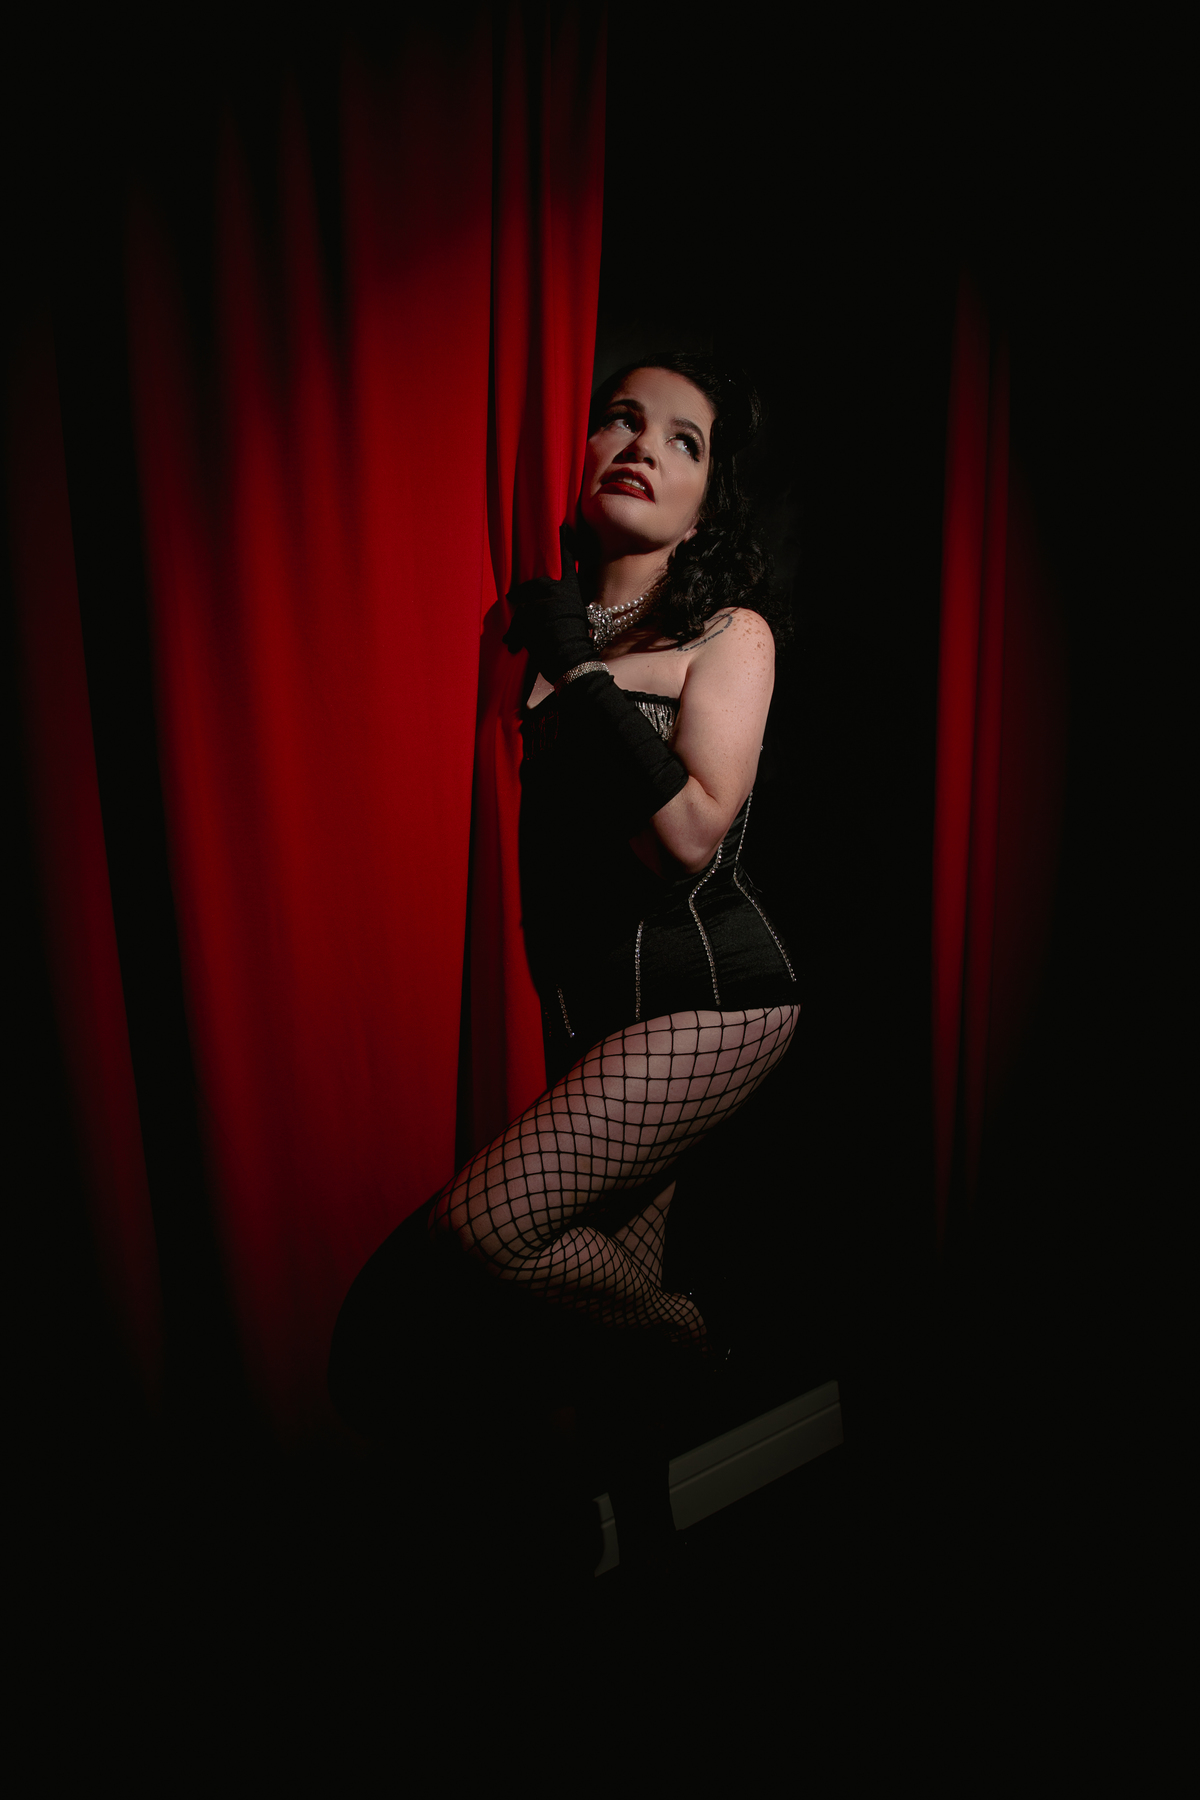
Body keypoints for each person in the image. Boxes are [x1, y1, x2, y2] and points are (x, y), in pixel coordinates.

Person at [330, 352, 798, 1572]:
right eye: (621, 420)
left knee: (487, 1235)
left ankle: (689, 1332)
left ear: (708, 498)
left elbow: (691, 837)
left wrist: (583, 674)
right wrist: (569, 649)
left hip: (716, 995)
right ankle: (646, 1555)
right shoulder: (537, 617)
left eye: (684, 440)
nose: (643, 446)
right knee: (603, 1372)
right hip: (597, 1014)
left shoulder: (729, 635)